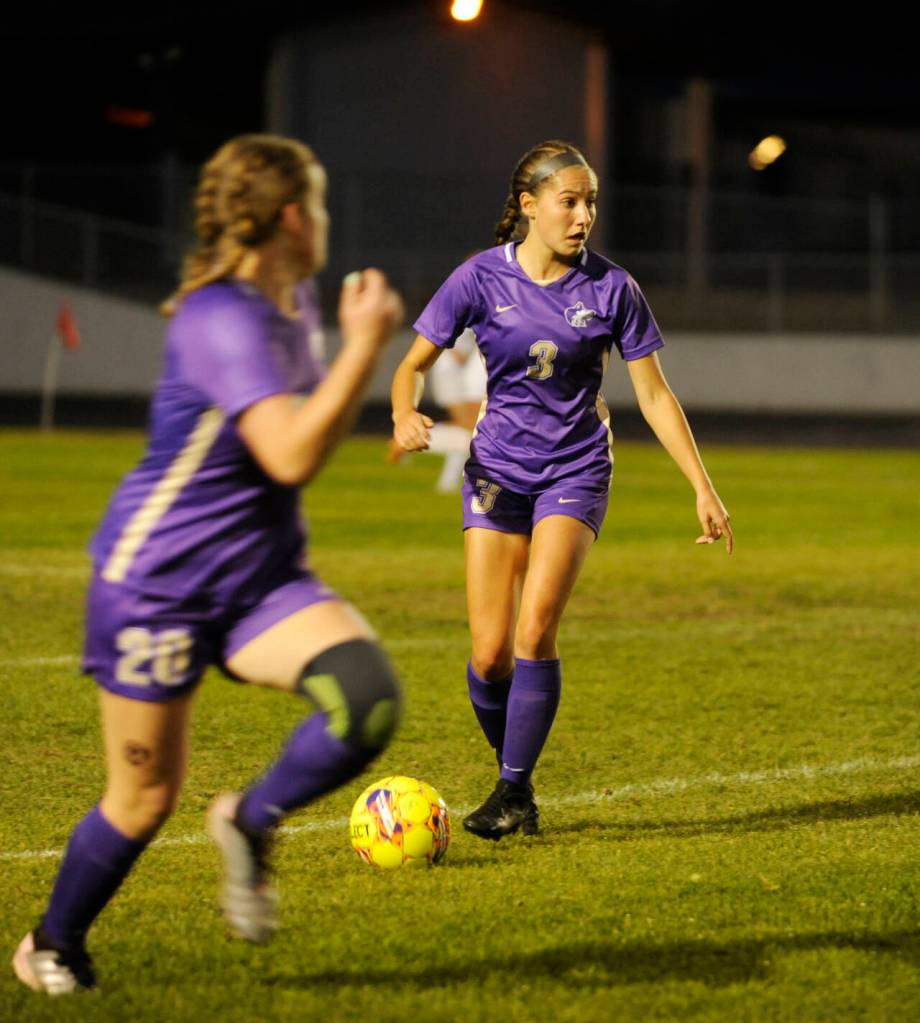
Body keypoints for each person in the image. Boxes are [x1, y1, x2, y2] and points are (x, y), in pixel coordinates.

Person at [13, 133, 404, 995]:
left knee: (366, 697)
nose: (329, 220)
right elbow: (291, 453)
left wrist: (347, 348)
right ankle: (52, 943)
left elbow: (293, 448)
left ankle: (252, 820)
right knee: (143, 801)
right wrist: (363, 348)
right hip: (159, 584)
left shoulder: (294, 299)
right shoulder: (221, 315)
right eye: (323, 203)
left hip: (258, 578)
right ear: (296, 216)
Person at [390, 139, 732, 841]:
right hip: (495, 472)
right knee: (488, 653)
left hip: (574, 470)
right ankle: (517, 779)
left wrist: (703, 485)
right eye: (569, 201)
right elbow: (412, 365)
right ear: (528, 206)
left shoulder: (613, 289)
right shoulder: (478, 279)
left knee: (533, 628)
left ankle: (511, 789)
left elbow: (656, 397)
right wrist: (404, 411)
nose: (584, 216)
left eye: (591, 202)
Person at [387, 325, 487, 492]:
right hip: (465, 369)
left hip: (467, 368)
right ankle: (410, 436)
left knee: (472, 430)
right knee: (473, 430)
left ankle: (447, 482)